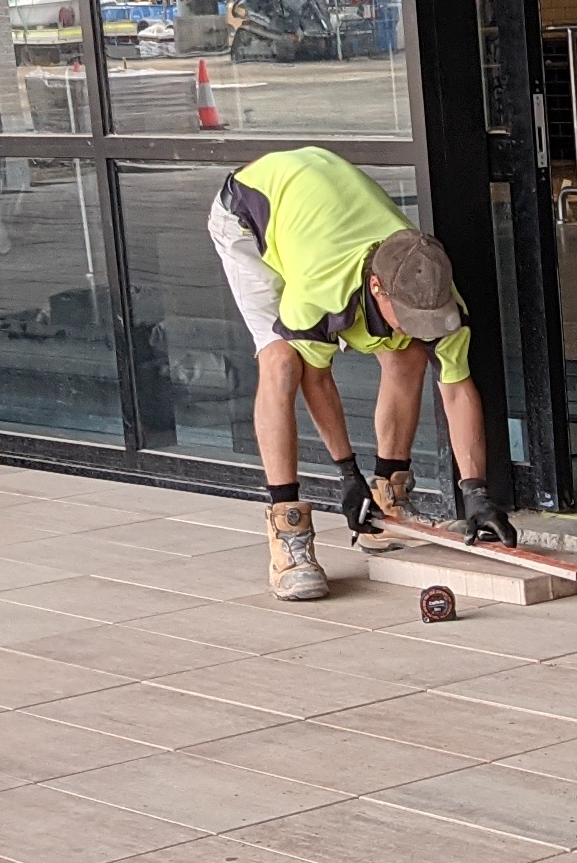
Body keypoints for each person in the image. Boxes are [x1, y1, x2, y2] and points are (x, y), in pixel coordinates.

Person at [209, 145, 511, 600]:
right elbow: (317, 377)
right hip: (250, 215)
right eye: (406, 313)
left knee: (408, 351)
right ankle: (287, 532)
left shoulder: (429, 280)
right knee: (281, 360)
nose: (419, 325)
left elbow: (457, 389)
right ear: (376, 287)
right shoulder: (318, 287)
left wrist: (476, 492)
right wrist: (346, 473)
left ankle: (390, 497)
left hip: (322, 203)